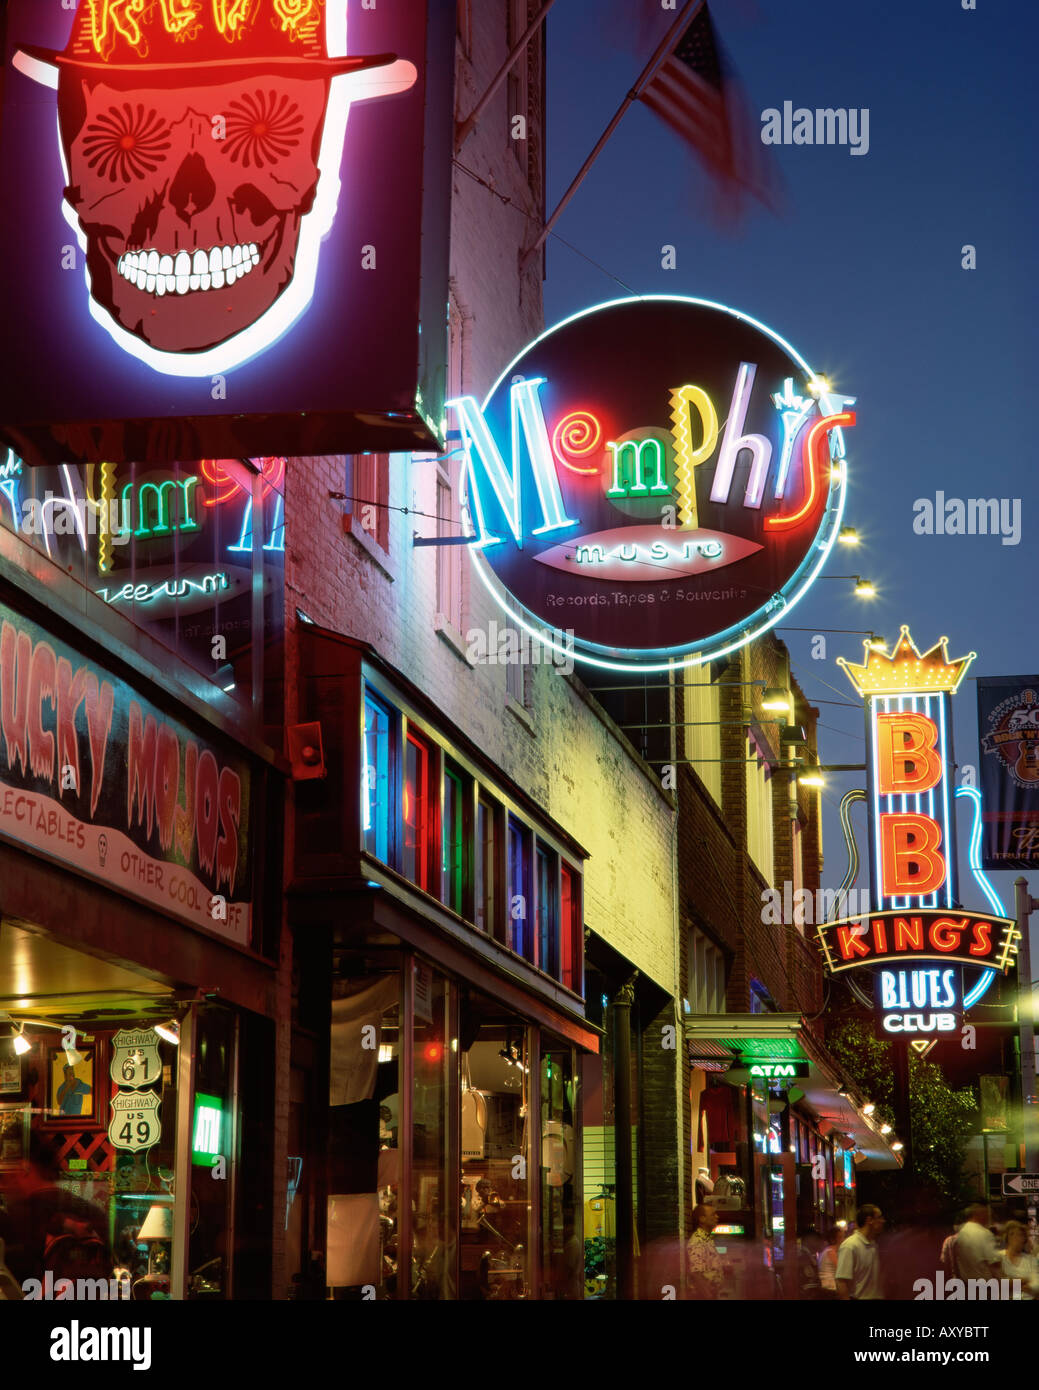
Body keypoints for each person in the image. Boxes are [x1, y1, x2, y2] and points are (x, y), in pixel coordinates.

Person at [836, 1204, 885, 1300]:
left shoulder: (873, 1244)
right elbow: (841, 1281)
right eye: (879, 1217)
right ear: (869, 1220)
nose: (883, 1221)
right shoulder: (850, 1245)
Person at [954, 1202, 1000, 1282]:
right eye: (986, 1214)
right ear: (979, 1215)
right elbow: (994, 1262)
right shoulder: (984, 1233)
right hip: (985, 1285)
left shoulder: (960, 1232)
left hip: (966, 1285)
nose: (988, 1217)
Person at [686, 1203, 724, 1299]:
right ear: (702, 1219)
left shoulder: (707, 1239)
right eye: (713, 1214)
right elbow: (696, 1274)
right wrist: (708, 1295)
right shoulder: (697, 1241)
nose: (717, 1217)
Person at [1000, 1220, 1039, 1299]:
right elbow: (997, 1283)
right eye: (1019, 1235)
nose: (1023, 1239)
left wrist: (1031, 1287)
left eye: (1023, 1236)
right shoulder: (998, 1257)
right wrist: (1025, 1279)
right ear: (1009, 1236)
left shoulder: (1030, 1259)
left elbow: (1037, 1282)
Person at [818, 1224, 846, 1298]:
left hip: (828, 1286)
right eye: (841, 1237)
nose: (844, 1240)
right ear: (835, 1239)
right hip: (830, 1288)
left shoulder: (829, 1250)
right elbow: (841, 1270)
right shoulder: (831, 1252)